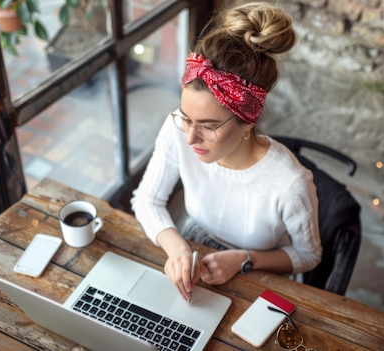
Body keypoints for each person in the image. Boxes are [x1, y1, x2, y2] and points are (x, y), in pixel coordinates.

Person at [131, 2, 321, 301]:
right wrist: (178, 249)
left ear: (248, 121)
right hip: (196, 250)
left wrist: (245, 259)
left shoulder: (290, 184)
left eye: (208, 126)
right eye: (186, 117)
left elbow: (308, 256)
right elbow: (146, 199)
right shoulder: (178, 131)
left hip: (259, 274)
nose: (191, 137)